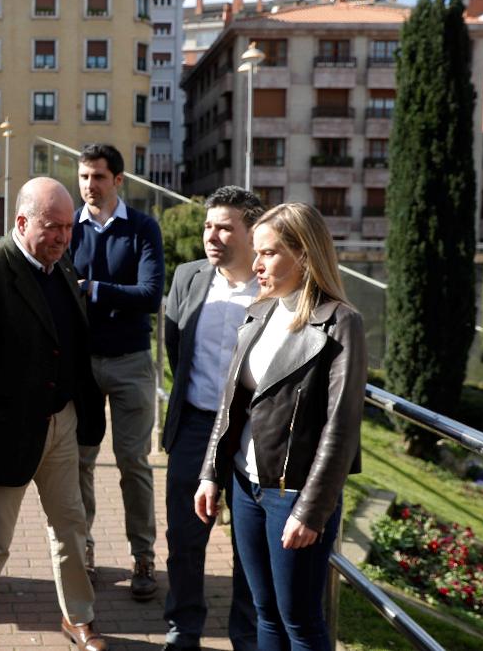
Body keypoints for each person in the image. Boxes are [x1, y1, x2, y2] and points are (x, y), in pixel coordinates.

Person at [0, 177, 108, 651]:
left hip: (61, 425)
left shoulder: (61, 267)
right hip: (2, 439)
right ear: (21, 221)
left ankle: (79, 618)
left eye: (68, 228)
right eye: (51, 227)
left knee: (71, 529)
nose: (61, 237)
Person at [195, 202, 366, 651]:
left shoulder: (340, 323)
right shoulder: (259, 313)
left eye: (268, 253)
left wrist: (312, 509)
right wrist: (212, 473)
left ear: (304, 255)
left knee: (301, 621)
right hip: (245, 487)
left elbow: (341, 428)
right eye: (256, 252)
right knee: (263, 611)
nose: (255, 265)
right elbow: (231, 404)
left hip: (293, 494)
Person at [161, 186, 263, 651]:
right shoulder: (188, 277)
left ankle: (245, 633)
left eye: (225, 227)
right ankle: (184, 627)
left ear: (251, 232)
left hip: (253, 435)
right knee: (184, 538)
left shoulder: (274, 287)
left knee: (248, 544)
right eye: (208, 225)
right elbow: (173, 346)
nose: (212, 235)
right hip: (196, 425)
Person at [68, 143, 164, 599]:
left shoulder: (143, 228)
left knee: (133, 462)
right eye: (84, 176)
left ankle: (143, 555)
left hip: (130, 363)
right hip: (81, 365)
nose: (89, 185)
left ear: (118, 181)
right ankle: (84, 551)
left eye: (99, 177)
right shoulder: (68, 227)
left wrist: (94, 289)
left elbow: (149, 294)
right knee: (80, 462)